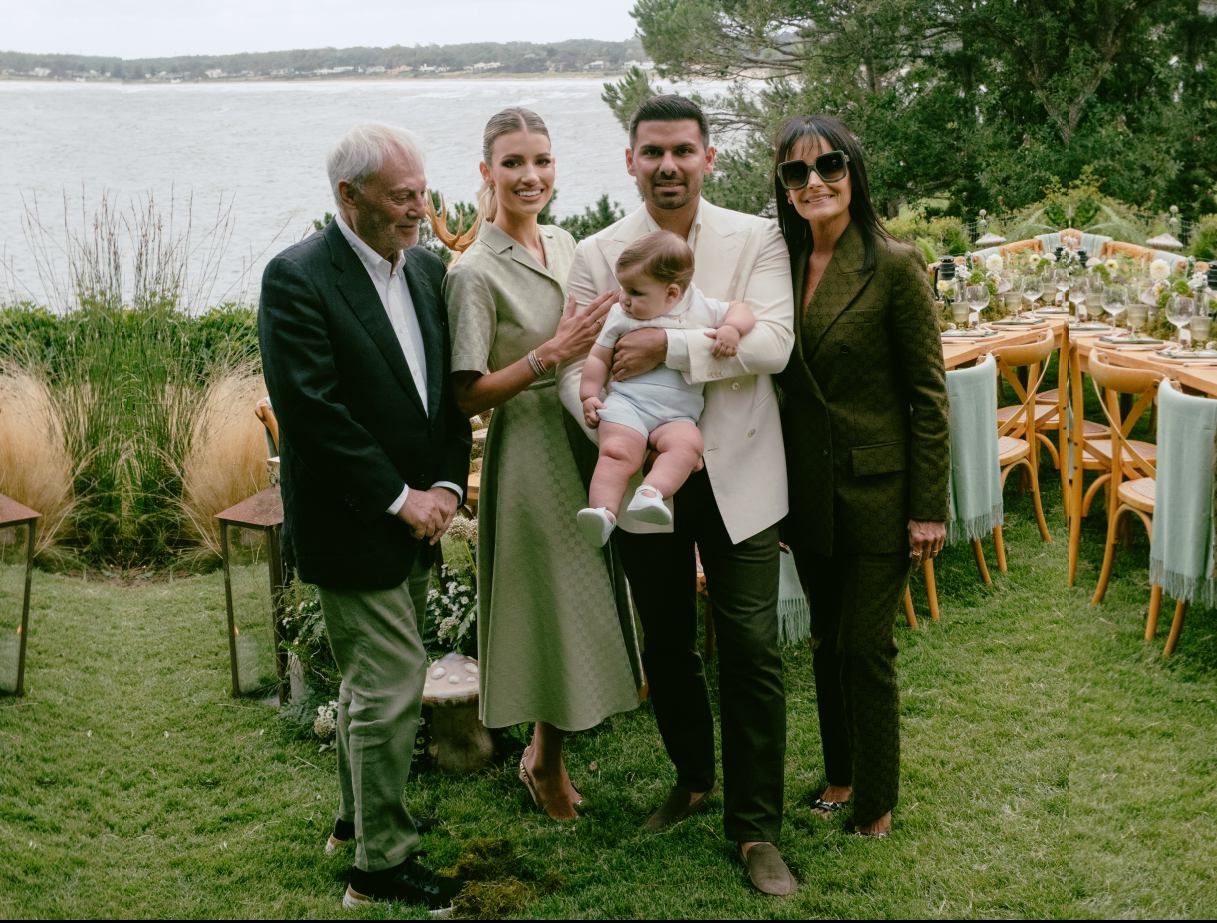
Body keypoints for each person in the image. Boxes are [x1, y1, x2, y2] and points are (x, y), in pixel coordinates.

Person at [558, 95, 797, 897]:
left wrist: (671, 344)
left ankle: (756, 826)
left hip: (736, 473)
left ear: (707, 158)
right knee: (665, 643)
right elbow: (571, 362)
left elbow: (770, 343)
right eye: (652, 152)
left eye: (682, 151)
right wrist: (599, 416)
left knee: (752, 648)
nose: (668, 166)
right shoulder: (598, 254)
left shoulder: (755, 237)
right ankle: (692, 777)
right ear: (630, 160)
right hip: (641, 478)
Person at [258, 123, 472, 911]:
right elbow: (312, 411)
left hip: (421, 516)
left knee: (366, 685)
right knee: (387, 689)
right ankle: (379, 868)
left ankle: (353, 821)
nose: (420, 208)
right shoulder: (296, 278)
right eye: (401, 197)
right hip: (354, 524)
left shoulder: (428, 268)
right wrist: (398, 497)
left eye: (422, 191)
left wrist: (447, 483)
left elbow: (448, 390)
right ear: (347, 197)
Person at [439, 107, 642, 822]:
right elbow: (465, 393)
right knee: (548, 603)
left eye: (542, 162)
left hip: (588, 439)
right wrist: (546, 357)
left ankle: (543, 752)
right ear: (486, 173)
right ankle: (544, 762)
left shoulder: (565, 242)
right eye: (514, 163)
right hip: (527, 454)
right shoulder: (471, 272)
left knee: (584, 594)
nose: (530, 177)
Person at [772, 114, 949, 838]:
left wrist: (927, 508)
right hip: (806, 494)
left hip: (879, 490)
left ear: (854, 173)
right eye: (796, 172)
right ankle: (840, 774)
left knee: (864, 645)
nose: (814, 182)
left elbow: (928, 396)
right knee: (824, 640)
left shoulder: (894, 265)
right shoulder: (775, 267)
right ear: (782, 188)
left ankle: (875, 798)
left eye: (829, 167)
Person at [577, 229, 755, 546]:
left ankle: (652, 492)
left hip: (677, 416)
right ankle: (602, 513)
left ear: (672, 293)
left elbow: (741, 310)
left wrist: (731, 328)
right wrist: (590, 395)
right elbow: (598, 358)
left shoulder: (700, 308)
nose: (623, 297)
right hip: (627, 405)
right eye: (622, 288)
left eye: (635, 291)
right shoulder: (621, 315)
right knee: (616, 453)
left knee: (688, 445)